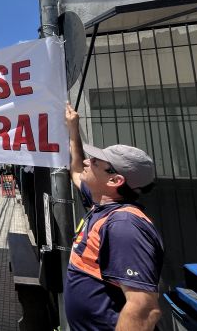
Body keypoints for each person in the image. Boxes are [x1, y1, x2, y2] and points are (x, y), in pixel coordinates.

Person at [64, 103, 163, 331]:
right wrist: (73, 129)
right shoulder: (102, 204)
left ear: (115, 181)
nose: (89, 162)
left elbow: (144, 308)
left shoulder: (124, 224)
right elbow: (77, 171)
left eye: (96, 162)